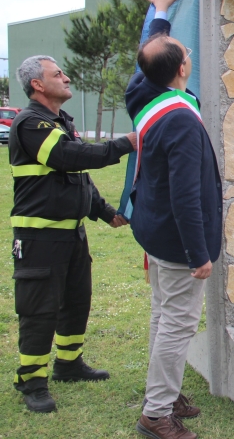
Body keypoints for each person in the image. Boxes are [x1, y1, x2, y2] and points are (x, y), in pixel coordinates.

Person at [8, 55, 136, 413]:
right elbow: (69, 156)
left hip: (72, 236)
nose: (65, 78)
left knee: (77, 300)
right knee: (39, 310)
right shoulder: (31, 123)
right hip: (39, 238)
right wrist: (127, 142)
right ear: (37, 84)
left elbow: (77, 177)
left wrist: (104, 211)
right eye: (57, 74)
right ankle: (32, 380)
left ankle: (68, 364)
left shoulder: (59, 120)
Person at [126, 0, 221, 438]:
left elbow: (154, 48)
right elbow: (187, 195)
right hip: (177, 239)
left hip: (155, 231)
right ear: (183, 68)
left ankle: (163, 392)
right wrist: (198, 253)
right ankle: (157, 413)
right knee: (177, 323)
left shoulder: (141, 91)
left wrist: (160, 13)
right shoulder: (181, 118)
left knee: (164, 316)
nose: (185, 50)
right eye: (183, 51)